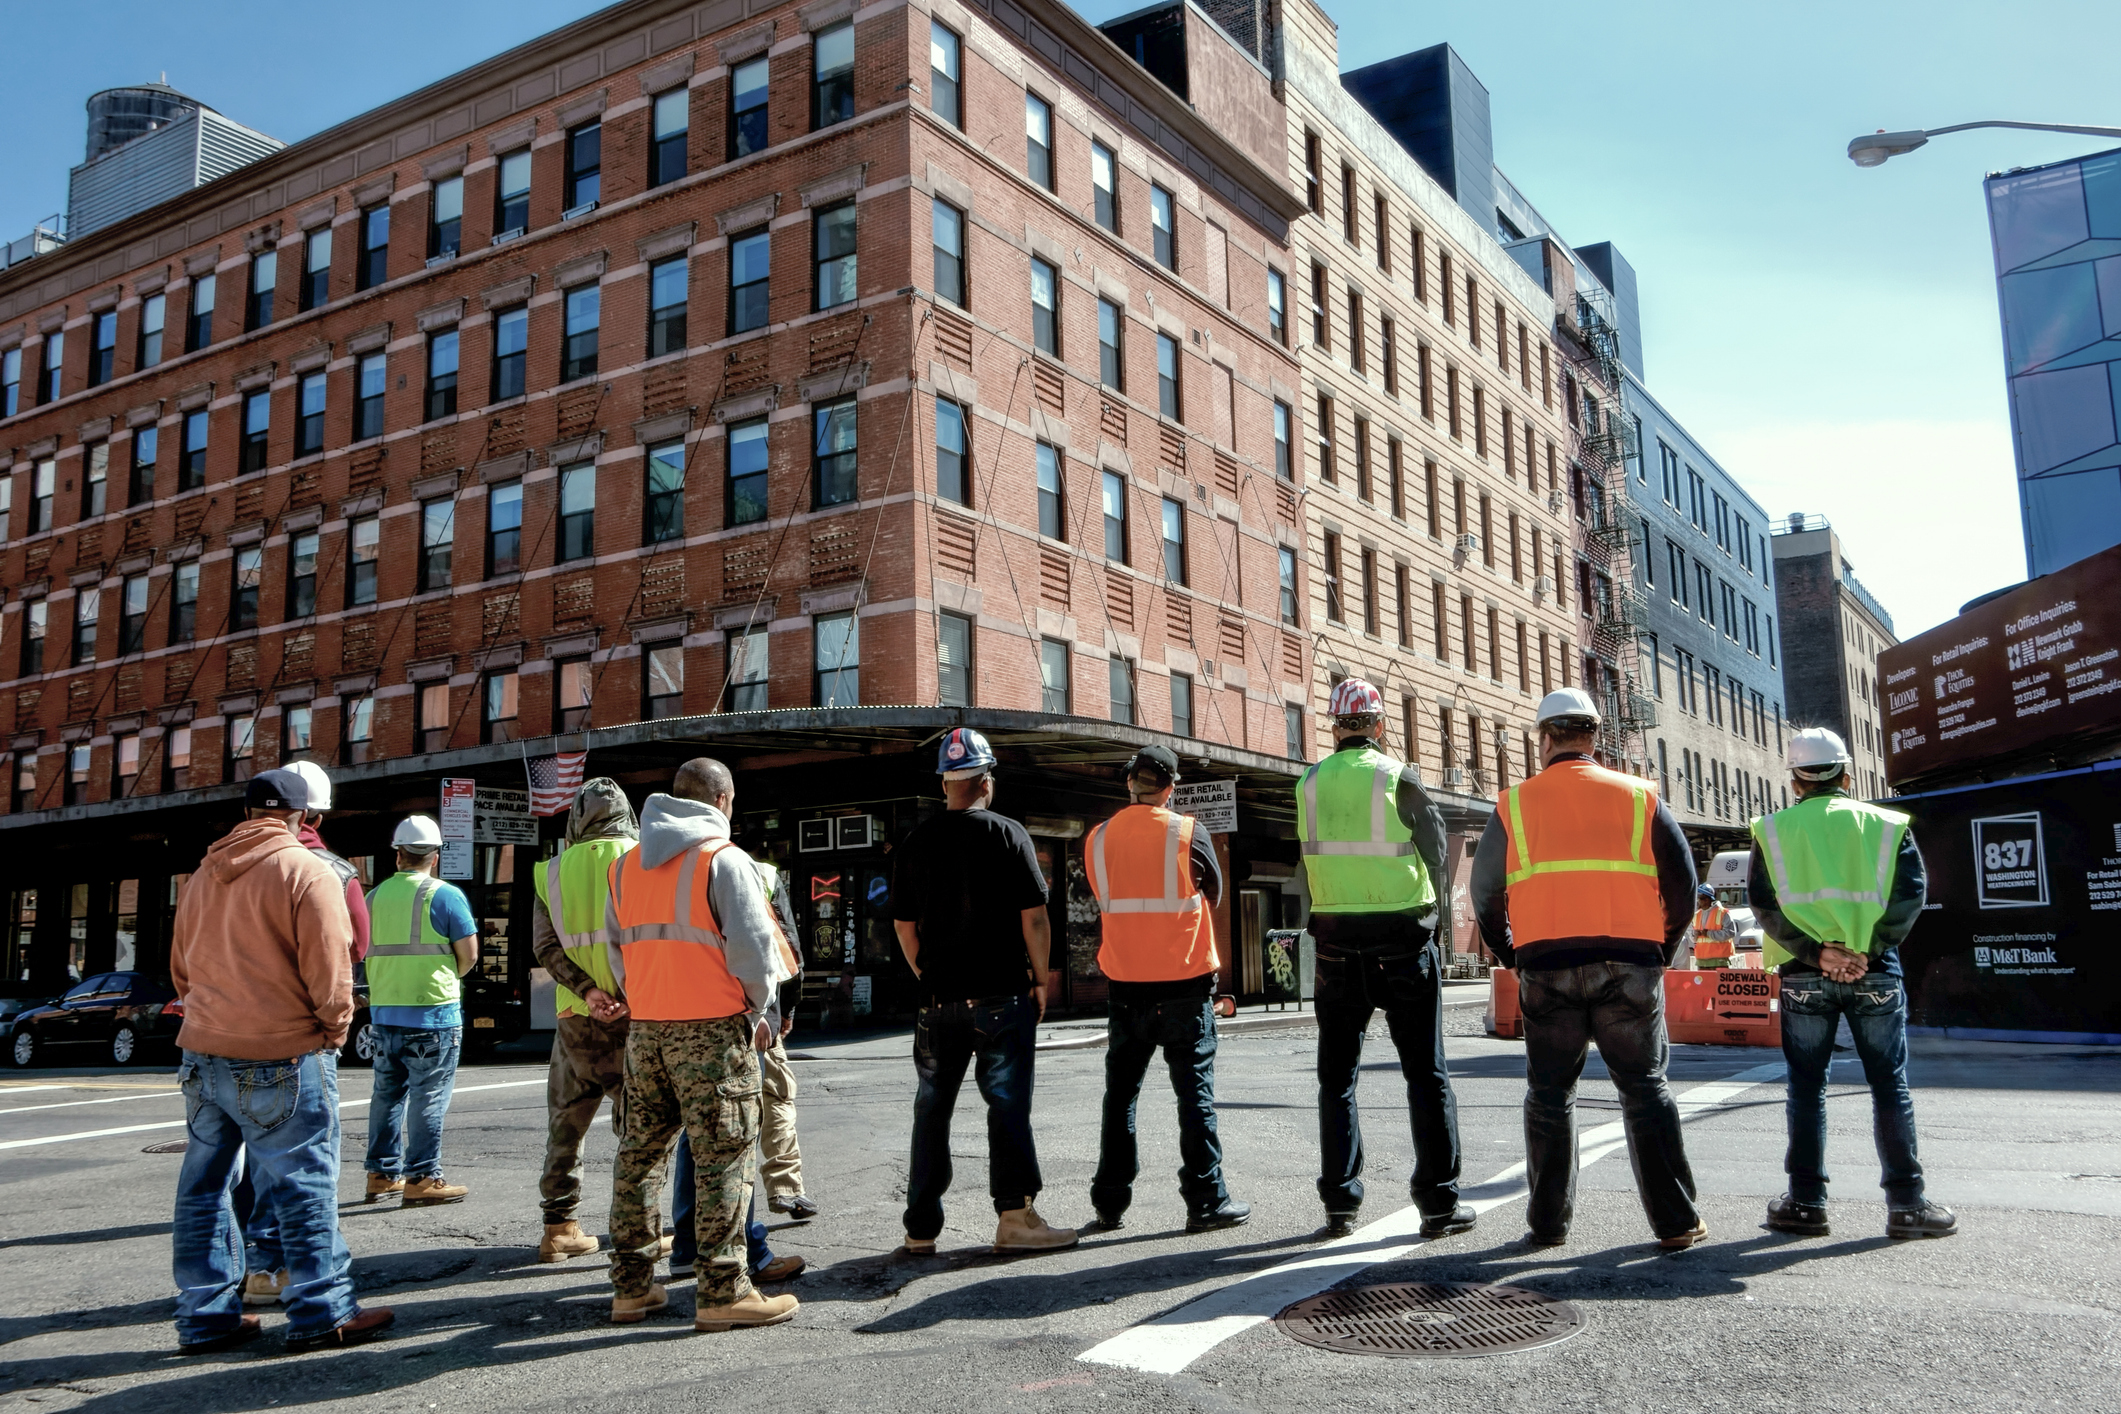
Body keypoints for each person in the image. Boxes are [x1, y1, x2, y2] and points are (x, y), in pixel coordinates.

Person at [1470, 689, 1705, 1250]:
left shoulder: (1514, 805)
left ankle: (1548, 1223)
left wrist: (1513, 955)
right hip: (1630, 964)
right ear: (1594, 737)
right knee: (1646, 1090)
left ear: (1544, 739)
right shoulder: (1641, 798)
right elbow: (1683, 886)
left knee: (1550, 1095)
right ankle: (1675, 1223)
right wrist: (1660, 949)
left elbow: (1484, 895)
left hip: (1546, 966)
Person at [168, 769, 393, 1354]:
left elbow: (181, 971)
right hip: (283, 1049)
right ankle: (322, 1310)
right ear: (303, 817)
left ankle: (204, 1316)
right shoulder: (305, 871)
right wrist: (333, 1030)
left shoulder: (199, 877)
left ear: (246, 813)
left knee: (206, 1188)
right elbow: (331, 969)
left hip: (204, 1050)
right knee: (303, 1183)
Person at [604, 757, 798, 1332]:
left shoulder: (627, 866)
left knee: (639, 1157)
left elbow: (619, 952)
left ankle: (631, 1289)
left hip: (647, 1031)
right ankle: (723, 1291)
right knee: (722, 1161)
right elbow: (754, 951)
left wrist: (644, 999)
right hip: (713, 1029)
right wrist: (759, 1008)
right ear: (721, 801)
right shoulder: (724, 860)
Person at [1750, 728, 1955, 1240]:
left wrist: (1817, 953)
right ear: (1848, 774)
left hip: (1803, 976)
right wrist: (1864, 951)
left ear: (1795, 780)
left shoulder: (1772, 830)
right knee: (1889, 1084)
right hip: (1875, 971)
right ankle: (1907, 1206)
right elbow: (1910, 896)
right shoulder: (1885, 825)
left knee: (1806, 1087)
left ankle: (1806, 1204)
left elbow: (1764, 905)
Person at [1296, 679, 1473, 1241]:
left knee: (1337, 1079)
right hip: (1402, 941)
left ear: (1334, 726)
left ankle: (1340, 1205)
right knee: (1425, 1074)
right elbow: (1439, 855)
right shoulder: (1398, 778)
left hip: (1335, 946)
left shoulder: (1310, 782)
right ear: (1377, 725)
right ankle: (1438, 1206)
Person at [891, 727, 1076, 1255]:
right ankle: (1015, 1218)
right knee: (1007, 1106)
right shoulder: (1007, 833)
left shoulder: (915, 842)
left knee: (931, 1110)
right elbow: (1035, 919)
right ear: (986, 781)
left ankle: (921, 1228)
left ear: (945, 785)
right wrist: (1041, 980)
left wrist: (927, 974)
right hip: (1001, 995)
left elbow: (904, 927)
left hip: (937, 1001)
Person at [1084, 745, 1248, 1233]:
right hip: (1183, 985)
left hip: (1125, 987)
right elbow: (1214, 892)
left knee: (1121, 1096)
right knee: (1193, 1095)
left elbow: (1103, 894)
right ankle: (1205, 1200)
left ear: (1128, 783)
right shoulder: (1186, 832)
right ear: (1170, 787)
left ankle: (1110, 1202)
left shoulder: (1098, 838)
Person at [238, 760, 372, 1310]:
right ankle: (308, 1292)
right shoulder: (332, 871)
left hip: (224, 1032)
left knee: (240, 1164)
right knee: (303, 1162)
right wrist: (335, 1026)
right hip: (296, 1031)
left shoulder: (222, 862)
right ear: (313, 812)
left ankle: (237, 1276)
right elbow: (353, 949)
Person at [671, 853, 808, 1284]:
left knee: (689, 1135)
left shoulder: (652, 867)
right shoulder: (751, 870)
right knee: (742, 1126)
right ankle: (749, 1249)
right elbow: (777, 945)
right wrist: (771, 1009)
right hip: (734, 1017)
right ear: (721, 802)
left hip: (666, 1016)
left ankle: (686, 1247)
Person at [530, 778, 639, 1262]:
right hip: (637, 1016)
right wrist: (624, 993)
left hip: (576, 1015)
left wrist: (590, 991)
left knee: (565, 1125)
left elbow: (545, 947)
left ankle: (559, 1227)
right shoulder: (644, 860)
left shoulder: (550, 872)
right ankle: (640, 1226)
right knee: (643, 1126)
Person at [363, 815, 478, 1208]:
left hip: (384, 1013)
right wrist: (446, 976)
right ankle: (424, 1176)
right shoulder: (445, 895)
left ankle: (380, 1174)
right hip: (432, 1013)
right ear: (435, 856)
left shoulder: (373, 897)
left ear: (398, 855)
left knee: (386, 1095)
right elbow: (469, 955)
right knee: (429, 1097)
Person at [755, 857, 818, 1221]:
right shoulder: (762, 874)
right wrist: (787, 1009)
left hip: (690, 1017)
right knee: (776, 1096)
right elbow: (788, 949)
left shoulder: (663, 867)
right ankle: (786, 1188)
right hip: (760, 1016)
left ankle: (691, 1212)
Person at [1689, 885, 1736, 970]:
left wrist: (1709, 933)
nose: (1698, 901)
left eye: (1700, 898)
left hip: (1719, 960)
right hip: (1701, 960)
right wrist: (1694, 934)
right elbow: (1693, 938)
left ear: (1707, 900)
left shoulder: (1723, 913)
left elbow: (1730, 932)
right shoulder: (1697, 915)